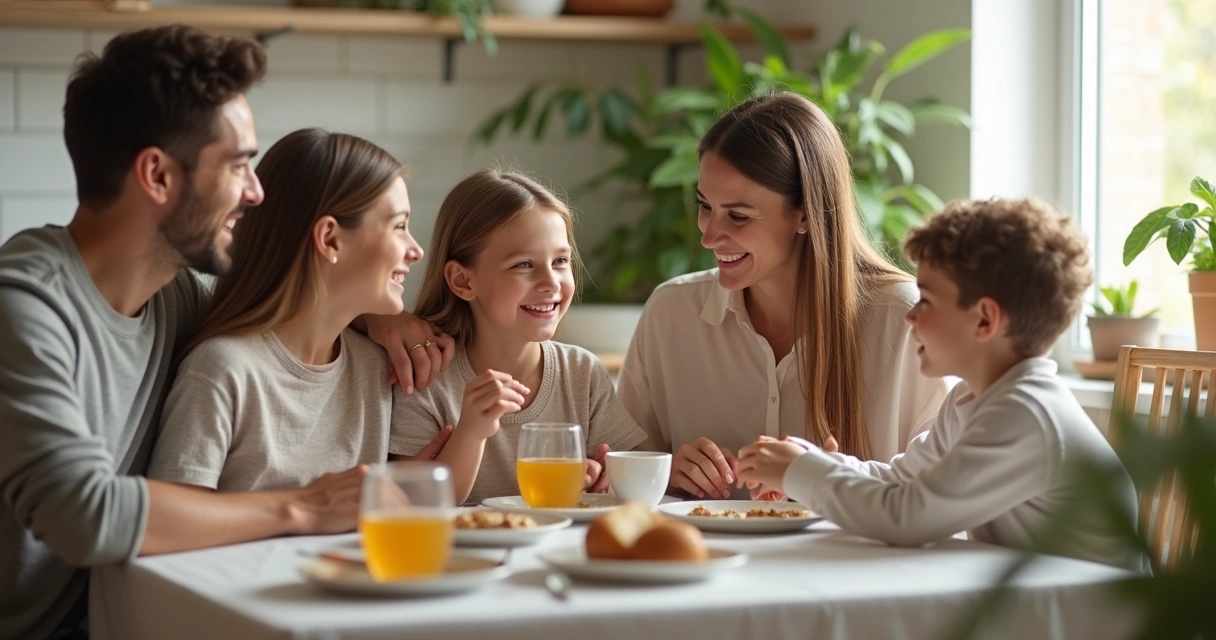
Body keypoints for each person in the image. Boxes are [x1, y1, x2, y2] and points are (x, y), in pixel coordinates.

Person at [0, 27, 446, 640]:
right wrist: (306, 507)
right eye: (238, 165)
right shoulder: (26, 306)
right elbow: (85, 514)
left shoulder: (173, 295)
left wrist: (372, 312)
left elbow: (280, 301)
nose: (255, 192)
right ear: (157, 175)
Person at [736, 198, 1150, 573]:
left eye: (926, 301)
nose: (910, 317)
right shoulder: (972, 400)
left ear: (985, 319)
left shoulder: (1025, 414)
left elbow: (908, 517)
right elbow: (902, 479)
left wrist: (801, 473)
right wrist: (809, 461)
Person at [617, 92, 949, 500]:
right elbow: (619, 475)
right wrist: (666, 474)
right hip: (710, 561)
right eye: (705, 205)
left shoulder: (906, 319)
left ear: (806, 213)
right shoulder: (671, 313)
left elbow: (941, 488)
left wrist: (813, 474)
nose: (708, 235)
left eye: (738, 216)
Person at [147, 128, 450, 492]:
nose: (415, 250)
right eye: (399, 226)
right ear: (330, 240)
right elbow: (172, 522)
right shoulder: (223, 370)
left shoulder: (375, 368)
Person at [392, 169, 649, 505]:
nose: (551, 282)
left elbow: (636, 483)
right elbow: (414, 506)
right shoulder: (424, 375)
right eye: (524, 265)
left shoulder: (582, 372)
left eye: (560, 261)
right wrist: (470, 432)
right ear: (462, 281)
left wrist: (604, 480)